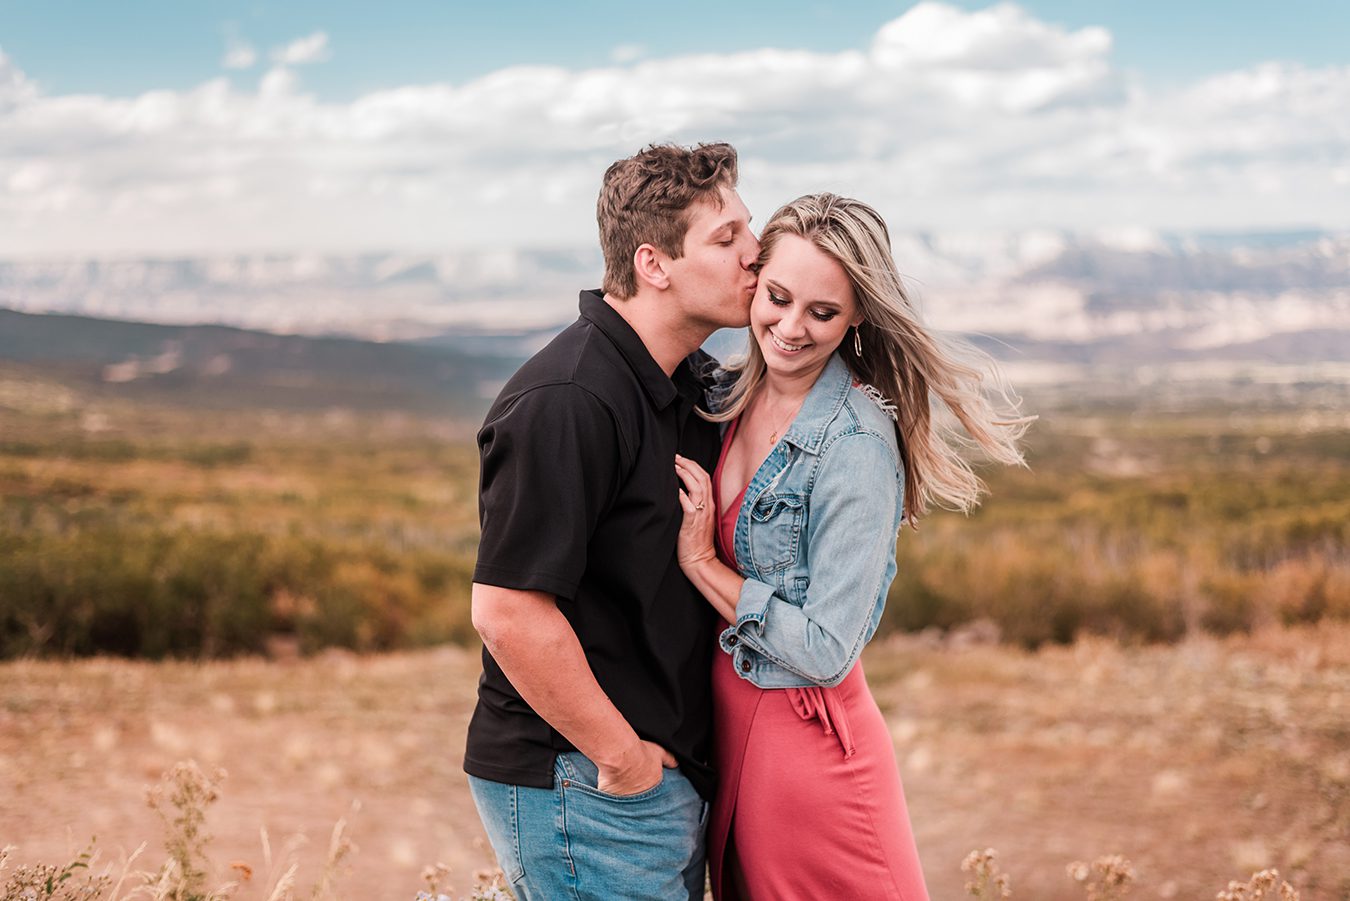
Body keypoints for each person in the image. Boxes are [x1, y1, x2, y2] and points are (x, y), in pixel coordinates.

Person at [674, 193, 1030, 899]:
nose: (791, 328)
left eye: (823, 312)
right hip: (732, 726)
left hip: (807, 749)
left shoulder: (857, 443)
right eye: (777, 297)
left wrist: (702, 565)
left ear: (859, 315)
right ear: (756, 280)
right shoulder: (733, 396)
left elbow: (827, 646)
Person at [464, 142, 760, 901]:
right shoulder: (568, 400)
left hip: (649, 781)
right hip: (588, 783)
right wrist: (621, 760)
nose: (754, 255)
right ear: (654, 263)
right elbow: (507, 610)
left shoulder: (682, 381)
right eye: (726, 239)